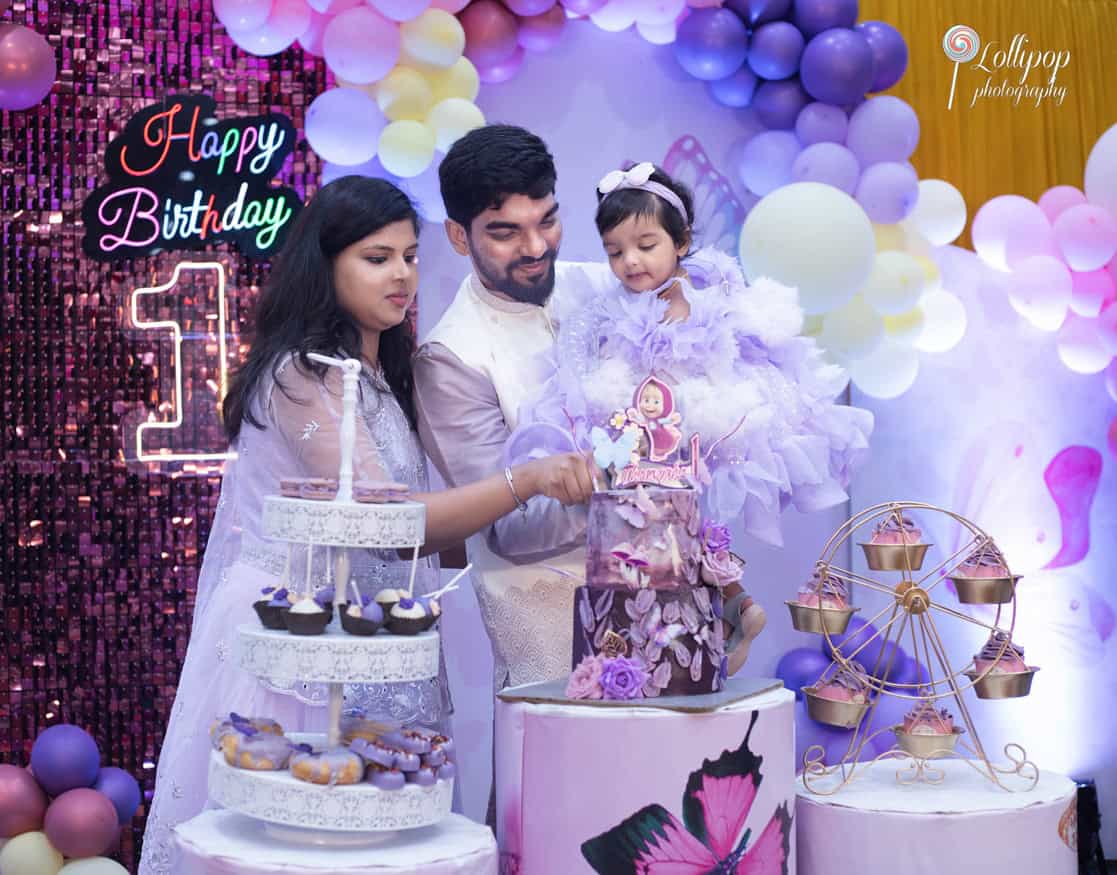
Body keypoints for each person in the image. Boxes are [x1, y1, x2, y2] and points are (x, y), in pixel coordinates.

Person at [139, 176, 595, 874]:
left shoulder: (384, 373)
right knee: (307, 839)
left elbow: (416, 538)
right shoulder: (302, 376)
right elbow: (388, 522)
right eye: (377, 258)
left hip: (374, 630)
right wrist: (524, 480)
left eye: (411, 257)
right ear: (326, 266)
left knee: (384, 833)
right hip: (298, 641)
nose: (403, 276)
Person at [413, 129, 763, 699]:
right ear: (458, 236)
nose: (534, 247)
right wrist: (633, 482)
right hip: (552, 628)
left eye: (547, 221)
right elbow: (508, 529)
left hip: (670, 605)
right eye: (505, 232)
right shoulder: (451, 358)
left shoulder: (609, 281)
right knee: (561, 785)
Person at [517, 160, 874, 561]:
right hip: (646, 428)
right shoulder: (610, 308)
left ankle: (721, 586)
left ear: (681, 242)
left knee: (697, 519)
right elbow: (586, 360)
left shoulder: (709, 292)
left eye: (646, 246)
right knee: (646, 525)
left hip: (708, 416)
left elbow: (740, 349)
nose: (630, 261)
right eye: (615, 252)